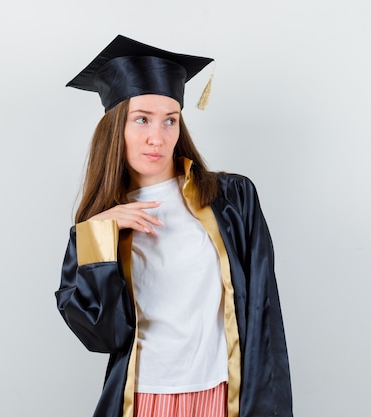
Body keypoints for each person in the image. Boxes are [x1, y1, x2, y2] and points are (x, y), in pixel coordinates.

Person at [55, 35, 292, 417]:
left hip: (222, 392)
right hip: (142, 396)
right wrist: (100, 236)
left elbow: (263, 310)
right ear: (115, 127)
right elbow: (101, 336)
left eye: (170, 120)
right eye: (142, 119)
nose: (157, 137)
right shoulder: (96, 228)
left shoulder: (231, 199)